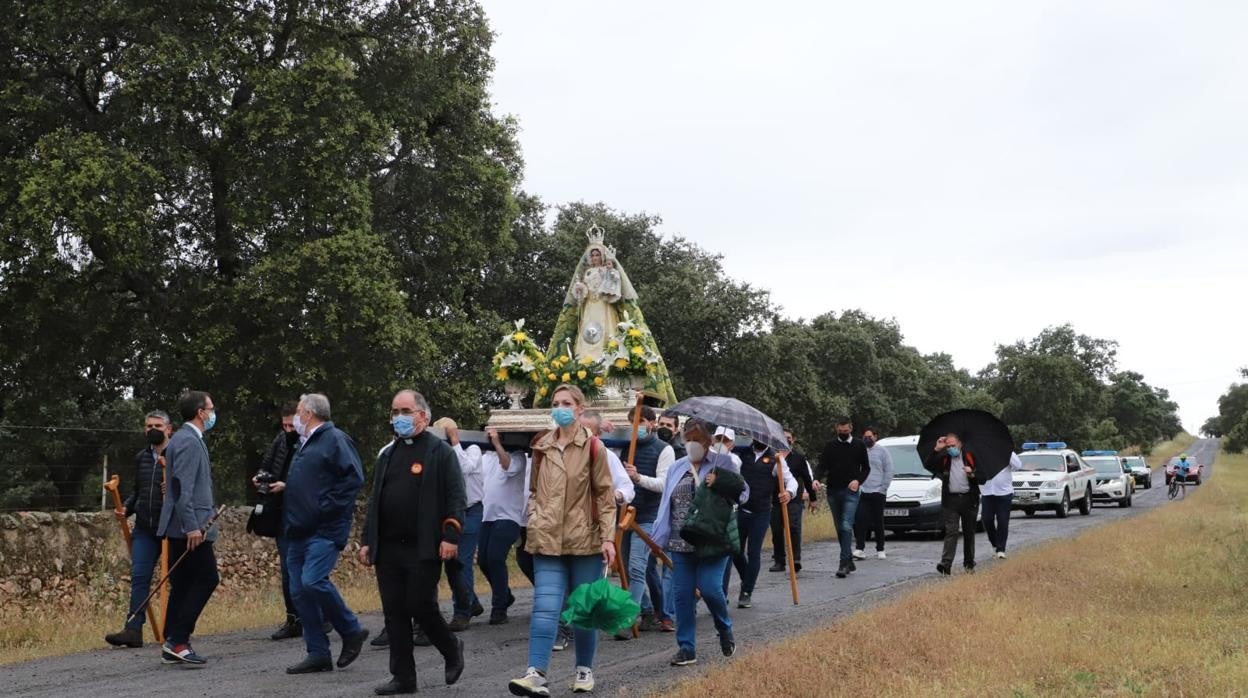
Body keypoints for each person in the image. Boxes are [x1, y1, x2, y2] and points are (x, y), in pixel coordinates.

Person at [508, 384, 617, 697]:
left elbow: (605, 497)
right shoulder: (541, 446)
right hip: (547, 541)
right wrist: (536, 521)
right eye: (556, 403)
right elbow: (534, 492)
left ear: (580, 409)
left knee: (582, 612)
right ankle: (536, 674)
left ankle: (584, 670)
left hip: (584, 541)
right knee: (545, 607)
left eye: (566, 403)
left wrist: (608, 538)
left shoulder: (594, 447)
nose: (560, 408)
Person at [360, 390, 466, 695]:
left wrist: (451, 535)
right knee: (394, 612)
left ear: (423, 415)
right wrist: (368, 540)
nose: (398, 417)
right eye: (394, 411)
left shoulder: (440, 452)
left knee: (420, 605)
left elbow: (456, 497)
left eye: (405, 410)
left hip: (424, 546)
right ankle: (403, 677)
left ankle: (451, 647)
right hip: (389, 548)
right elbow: (375, 501)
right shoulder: (387, 454)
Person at [282, 393, 371, 675]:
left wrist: (324, 508)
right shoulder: (305, 443)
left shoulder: (335, 440)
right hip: (298, 529)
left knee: (312, 581)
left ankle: (351, 629)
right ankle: (318, 653)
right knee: (299, 591)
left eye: (298, 411)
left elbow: (354, 478)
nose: (295, 417)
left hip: (324, 528)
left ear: (309, 413)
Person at [651, 418, 748, 667]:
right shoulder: (676, 467)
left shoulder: (723, 462)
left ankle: (724, 627)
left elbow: (743, 493)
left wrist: (720, 482)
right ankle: (686, 648)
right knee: (681, 596)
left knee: (709, 588)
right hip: (680, 541)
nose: (693, 444)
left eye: (698, 439)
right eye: (689, 439)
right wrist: (657, 538)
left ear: (708, 442)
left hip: (713, 540)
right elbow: (666, 505)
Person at [156, 391, 221, 666]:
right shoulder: (189, 441)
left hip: (183, 524)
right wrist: (192, 526)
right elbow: (182, 487)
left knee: (182, 584)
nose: (213, 412)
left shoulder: (185, 440)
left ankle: (173, 640)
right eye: (211, 408)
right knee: (207, 578)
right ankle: (179, 640)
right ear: (200, 412)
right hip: (190, 527)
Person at [104, 411, 173, 648]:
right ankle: (133, 629)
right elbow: (138, 490)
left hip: (172, 528)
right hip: (145, 527)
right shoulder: (141, 458)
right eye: (148, 425)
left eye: (157, 425)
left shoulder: (178, 454)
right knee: (139, 576)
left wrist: (173, 489)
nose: (152, 429)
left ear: (168, 429)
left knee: (177, 580)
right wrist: (126, 509)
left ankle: (175, 631)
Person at [245, 402, 303, 640]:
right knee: (288, 568)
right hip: (281, 513)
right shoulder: (280, 439)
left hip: (303, 513)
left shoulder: (310, 443)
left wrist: (288, 486)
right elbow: (267, 464)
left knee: (308, 571)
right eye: (285, 425)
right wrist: (261, 477)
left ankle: (320, 616)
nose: (288, 429)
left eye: (292, 425)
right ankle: (294, 618)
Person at [617, 404, 675, 638]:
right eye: (633, 423)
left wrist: (637, 477)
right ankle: (648, 610)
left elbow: (663, 484)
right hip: (626, 515)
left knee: (636, 567)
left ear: (651, 424)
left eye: (640, 423)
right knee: (625, 569)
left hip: (650, 516)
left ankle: (628, 620)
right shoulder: (625, 448)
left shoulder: (665, 450)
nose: (637, 428)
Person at [727, 439, 796, 608]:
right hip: (742, 509)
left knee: (753, 551)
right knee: (734, 549)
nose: (760, 439)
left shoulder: (776, 459)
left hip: (762, 512)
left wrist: (788, 492)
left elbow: (791, 480)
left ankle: (746, 592)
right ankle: (747, 578)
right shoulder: (742, 452)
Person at [435, 417, 486, 631]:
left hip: (471, 510)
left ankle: (462, 612)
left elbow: (463, 468)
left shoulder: (472, 449)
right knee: (451, 564)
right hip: (449, 513)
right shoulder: (439, 454)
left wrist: (455, 441)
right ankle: (471, 601)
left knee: (462, 560)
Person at [477, 426, 527, 626]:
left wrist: (498, 443)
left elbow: (507, 465)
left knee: (496, 558)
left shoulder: (518, 456)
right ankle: (505, 594)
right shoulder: (485, 457)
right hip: (487, 516)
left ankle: (499, 608)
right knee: (483, 561)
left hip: (509, 516)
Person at [819, 418, 871, 579]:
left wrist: (858, 481)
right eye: (840, 431)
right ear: (836, 429)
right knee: (839, 527)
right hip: (833, 491)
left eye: (846, 431)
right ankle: (849, 560)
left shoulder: (859, 445)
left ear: (851, 429)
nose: (843, 434)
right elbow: (822, 465)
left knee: (847, 525)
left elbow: (866, 468)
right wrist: (816, 478)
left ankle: (842, 563)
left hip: (851, 491)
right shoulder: (830, 446)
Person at [924, 432, 980, 575]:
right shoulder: (944, 458)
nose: (950, 449)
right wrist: (937, 449)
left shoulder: (970, 456)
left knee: (969, 533)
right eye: (948, 446)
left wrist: (972, 474)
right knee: (951, 532)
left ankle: (969, 564)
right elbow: (928, 465)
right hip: (951, 501)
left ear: (960, 444)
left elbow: (983, 477)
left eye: (953, 446)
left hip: (969, 500)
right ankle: (945, 564)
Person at [770, 428, 816, 573]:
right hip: (776, 499)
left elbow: (807, 479)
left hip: (794, 499)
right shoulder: (772, 456)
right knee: (777, 530)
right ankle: (779, 561)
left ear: (793, 440)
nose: (786, 440)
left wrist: (812, 499)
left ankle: (795, 559)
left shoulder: (799, 458)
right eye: (783, 438)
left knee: (793, 527)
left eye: (789, 437)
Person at [853, 426, 894, 561]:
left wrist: (883, 489)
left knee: (878, 521)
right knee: (860, 520)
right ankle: (860, 548)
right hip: (863, 491)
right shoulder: (859, 450)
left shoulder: (883, 451)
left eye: (870, 437)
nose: (867, 439)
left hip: (878, 492)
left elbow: (888, 470)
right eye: (865, 437)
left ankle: (880, 549)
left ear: (875, 437)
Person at [981, 451, 1023, 560]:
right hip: (987, 491)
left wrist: (1007, 454)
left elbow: (1018, 465)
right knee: (987, 519)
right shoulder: (981, 451)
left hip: (1004, 492)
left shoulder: (1006, 450)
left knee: (1003, 521)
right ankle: (995, 543)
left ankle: (1001, 549)